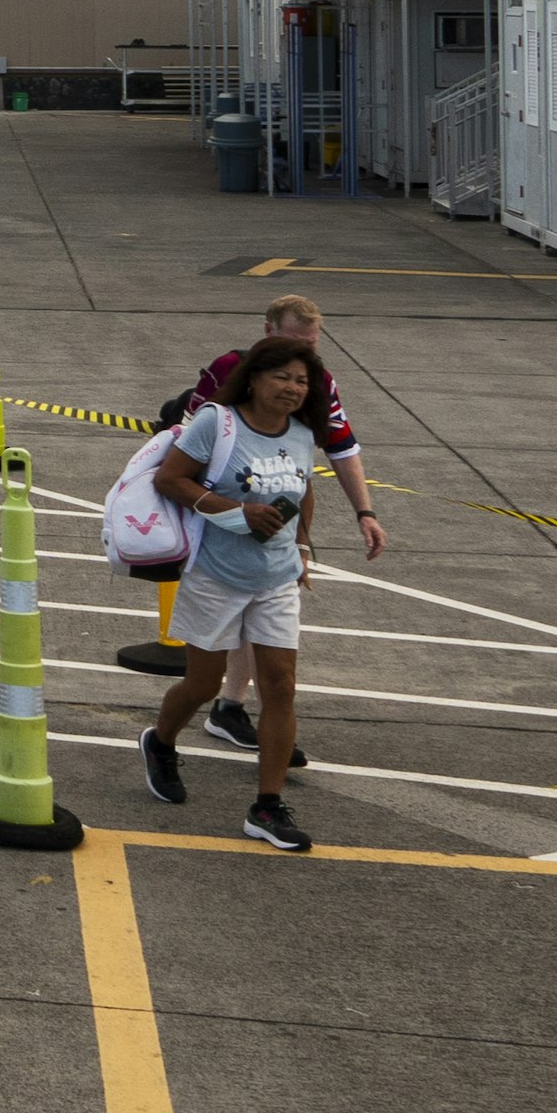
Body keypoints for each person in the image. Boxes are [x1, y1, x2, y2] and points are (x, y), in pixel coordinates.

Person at [133, 336, 376, 853]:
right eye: (282, 377)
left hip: (276, 578)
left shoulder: (304, 433)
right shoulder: (216, 424)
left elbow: (303, 489)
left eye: (302, 381)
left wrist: (303, 549)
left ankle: (267, 806)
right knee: (201, 684)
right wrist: (233, 512)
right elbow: (170, 479)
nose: (292, 388)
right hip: (216, 574)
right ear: (256, 378)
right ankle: (161, 741)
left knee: (281, 687)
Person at [164, 294, 386, 758]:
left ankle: (239, 716)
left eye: (310, 346)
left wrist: (362, 513)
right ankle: (172, 734)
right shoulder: (228, 373)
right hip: (215, 535)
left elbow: (339, 450)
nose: (298, 370)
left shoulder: (317, 385)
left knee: (278, 671)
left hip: (275, 546)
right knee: (200, 677)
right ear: (268, 331)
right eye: (291, 345)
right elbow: (180, 450)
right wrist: (224, 505)